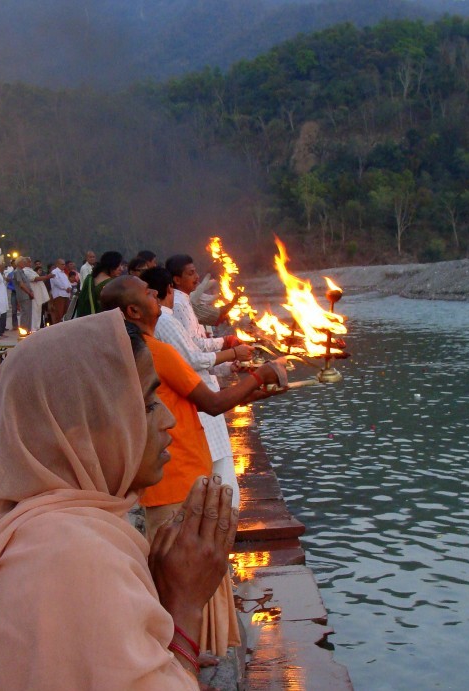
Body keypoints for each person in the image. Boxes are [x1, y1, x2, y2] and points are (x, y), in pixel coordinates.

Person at [0, 310, 236, 690]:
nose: (168, 420)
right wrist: (185, 608)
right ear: (81, 429)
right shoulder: (74, 555)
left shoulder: (60, 532)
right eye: (148, 402)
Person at [101, 274, 289, 657]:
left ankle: (191, 657)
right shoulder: (155, 351)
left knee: (188, 565)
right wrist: (260, 375)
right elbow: (212, 403)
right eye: (149, 293)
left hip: (175, 470)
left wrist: (253, 388)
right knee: (187, 571)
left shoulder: (139, 349)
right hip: (177, 473)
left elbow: (194, 398)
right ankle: (187, 660)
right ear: (133, 310)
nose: (159, 294)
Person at [144, 267, 251, 505]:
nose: (194, 278)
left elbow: (194, 348)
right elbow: (193, 360)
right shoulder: (165, 321)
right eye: (190, 272)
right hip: (197, 400)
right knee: (218, 476)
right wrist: (245, 363)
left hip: (198, 395)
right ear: (171, 287)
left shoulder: (166, 319)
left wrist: (227, 363)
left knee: (214, 468)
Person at [74, 251, 124, 318]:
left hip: (86, 320)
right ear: (111, 265)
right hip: (103, 321)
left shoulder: (89, 278)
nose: (121, 269)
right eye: (118, 265)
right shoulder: (110, 284)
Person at [48, 258, 72, 324]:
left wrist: (69, 287)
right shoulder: (54, 272)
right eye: (62, 264)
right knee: (59, 313)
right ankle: (57, 326)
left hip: (66, 295)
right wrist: (65, 288)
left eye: (64, 264)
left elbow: (68, 282)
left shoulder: (64, 273)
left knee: (65, 313)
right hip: (59, 295)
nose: (64, 266)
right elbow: (57, 282)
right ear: (57, 264)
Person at [12, 258, 32, 332]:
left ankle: (28, 330)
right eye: (23, 262)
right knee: (25, 313)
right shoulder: (17, 272)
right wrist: (29, 292)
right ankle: (24, 330)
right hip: (23, 295)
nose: (24, 263)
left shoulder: (22, 271)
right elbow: (21, 284)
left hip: (27, 295)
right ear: (19, 263)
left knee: (28, 313)